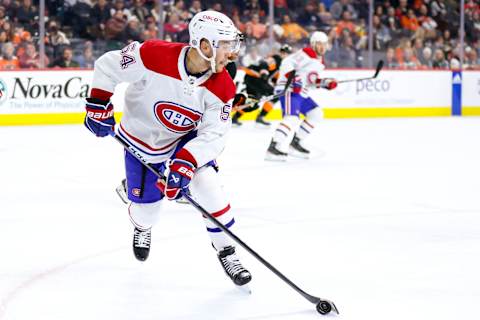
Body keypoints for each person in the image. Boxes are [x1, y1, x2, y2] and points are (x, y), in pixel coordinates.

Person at [84, 10, 251, 287]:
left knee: (208, 186)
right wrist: (98, 104)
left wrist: (186, 162)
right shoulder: (152, 55)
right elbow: (108, 65)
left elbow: (214, 134)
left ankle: (227, 250)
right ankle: (142, 225)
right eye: (226, 46)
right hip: (141, 140)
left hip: (183, 141)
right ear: (205, 45)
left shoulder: (222, 85)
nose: (232, 54)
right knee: (147, 211)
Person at [265, 31, 338, 161]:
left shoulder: (319, 62)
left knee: (316, 113)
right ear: (313, 44)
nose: (322, 47)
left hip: (301, 92)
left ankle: (295, 142)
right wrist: (296, 80)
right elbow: (287, 63)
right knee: (292, 118)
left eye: (324, 44)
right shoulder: (307, 53)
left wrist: (325, 83)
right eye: (319, 44)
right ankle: (273, 147)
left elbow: (310, 81)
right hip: (289, 89)